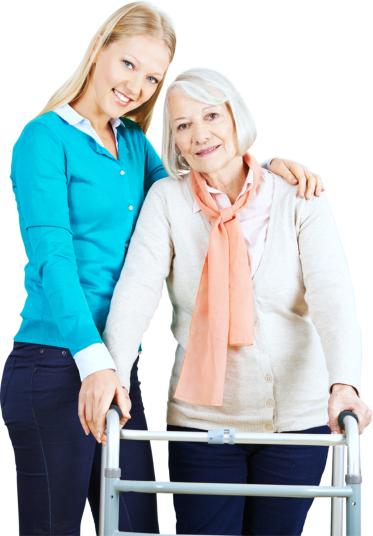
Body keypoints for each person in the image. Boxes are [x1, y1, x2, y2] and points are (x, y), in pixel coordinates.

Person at [1, 2, 324, 535]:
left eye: (152, 77)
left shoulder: (133, 142)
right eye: (128, 64)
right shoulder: (43, 139)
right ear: (99, 50)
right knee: (53, 528)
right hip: (54, 362)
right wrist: (94, 361)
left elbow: (200, 179)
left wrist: (268, 172)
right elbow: (52, 260)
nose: (137, 86)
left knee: (138, 525)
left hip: (117, 366)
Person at [101, 66, 372, 536]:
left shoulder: (296, 195)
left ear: (235, 117)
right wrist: (114, 376)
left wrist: (345, 384)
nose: (200, 134)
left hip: (296, 421)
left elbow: (335, 299)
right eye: (183, 126)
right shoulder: (167, 200)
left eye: (211, 116)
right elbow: (135, 294)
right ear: (174, 142)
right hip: (200, 421)